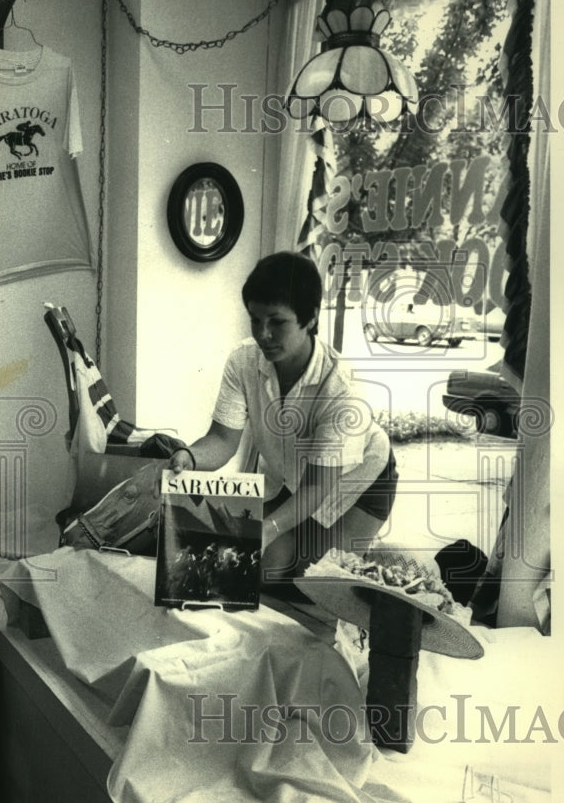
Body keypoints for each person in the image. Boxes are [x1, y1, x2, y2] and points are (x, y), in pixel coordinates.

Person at [168, 251, 398, 589]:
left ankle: (366, 555)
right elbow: (222, 441)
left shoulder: (341, 386)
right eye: (255, 320)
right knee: (268, 569)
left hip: (359, 478)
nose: (264, 334)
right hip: (294, 477)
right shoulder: (244, 361)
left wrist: (270, 527)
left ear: (310, 318)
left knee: (319, 585)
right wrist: (190, 457)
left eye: (277, 322)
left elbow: (319, 486)